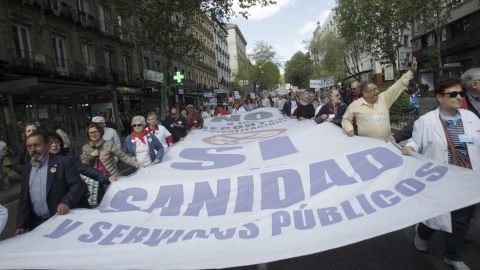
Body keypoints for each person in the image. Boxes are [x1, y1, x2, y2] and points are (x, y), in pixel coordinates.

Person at [402, 78, 480, 270]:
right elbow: (415, 141)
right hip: (440, 178)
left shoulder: (472, 118)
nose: (458, 97)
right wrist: (410, 147)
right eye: (452, 94)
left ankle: (453, 256)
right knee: (434, 217)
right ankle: (422, 233)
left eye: (460, 93)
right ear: (439, 97)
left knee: (461, 221)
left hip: (466, 179)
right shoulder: (426, 121)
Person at [16, 131, 90, 234]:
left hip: (61, 221)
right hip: (37, 223)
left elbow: (77, 185)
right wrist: (21, 224)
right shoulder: (27, 169)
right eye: (29, 146)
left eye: (37, 145)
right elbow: (24, 198)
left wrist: (66, 202)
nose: (33, 149)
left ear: (47, 145)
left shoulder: (63, 162)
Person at [342, 57, 418, 139]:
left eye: (376, 89)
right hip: (367, 145)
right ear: (365, 93)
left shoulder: (383, 99)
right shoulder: (355, 105)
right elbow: (345, 119)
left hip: (385, 143)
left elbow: (397, 86)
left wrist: (410, 72)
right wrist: (349, 129)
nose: (376, 92)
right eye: (373, 90)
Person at [48, 132, 115, 203]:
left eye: (57, 142)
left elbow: (86, 170)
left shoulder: (69, 159)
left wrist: (106, 177)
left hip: (72, 199)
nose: (54, 145)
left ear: (61, 144)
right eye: (51, 143)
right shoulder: (41, 162)